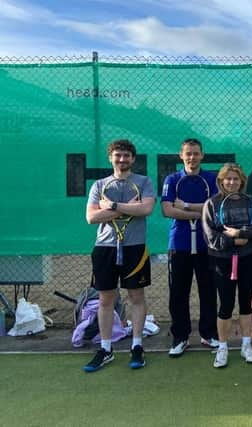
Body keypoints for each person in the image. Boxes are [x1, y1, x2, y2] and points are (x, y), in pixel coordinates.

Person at [84, 139, 155, 372]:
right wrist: (127, 207)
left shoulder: (143, 182)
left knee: (136, 296)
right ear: (110, 158)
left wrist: (113, 206)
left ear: (133, 159)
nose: (122, 159)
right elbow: (92, 218)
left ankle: (136, 345)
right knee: (106, 300)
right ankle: (106, 349)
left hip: (135, 247)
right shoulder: (99, 184)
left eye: (126, 156)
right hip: (104, 248)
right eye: (118, 155)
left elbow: (145, 209)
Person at [161, 138, 219, 357]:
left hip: (207, 245)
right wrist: (201, 213)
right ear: (181, 155)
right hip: (180, 245)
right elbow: (167, 210)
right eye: (188, 153)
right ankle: (180, 337)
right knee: (178, 293)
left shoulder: (211, 179)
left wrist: (184, 206)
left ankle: (209, 334)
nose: (192, 157)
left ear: (202, 155)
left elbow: (214, 208)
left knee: (208, 291)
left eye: (196, 153)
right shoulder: (172, 179)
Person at [202, 163, 252, 368]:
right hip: (222, 261)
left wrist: (239, 233)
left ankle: (247, 345)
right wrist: (233, 241)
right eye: (227, 179)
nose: (231, 182)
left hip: (248, 259)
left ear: (242, 181)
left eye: (235, 179)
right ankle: (222, 348)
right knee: (226, 305)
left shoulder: (251, 202)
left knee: (246, 303)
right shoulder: (211, 204)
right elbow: (211, 238)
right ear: (221, 181)